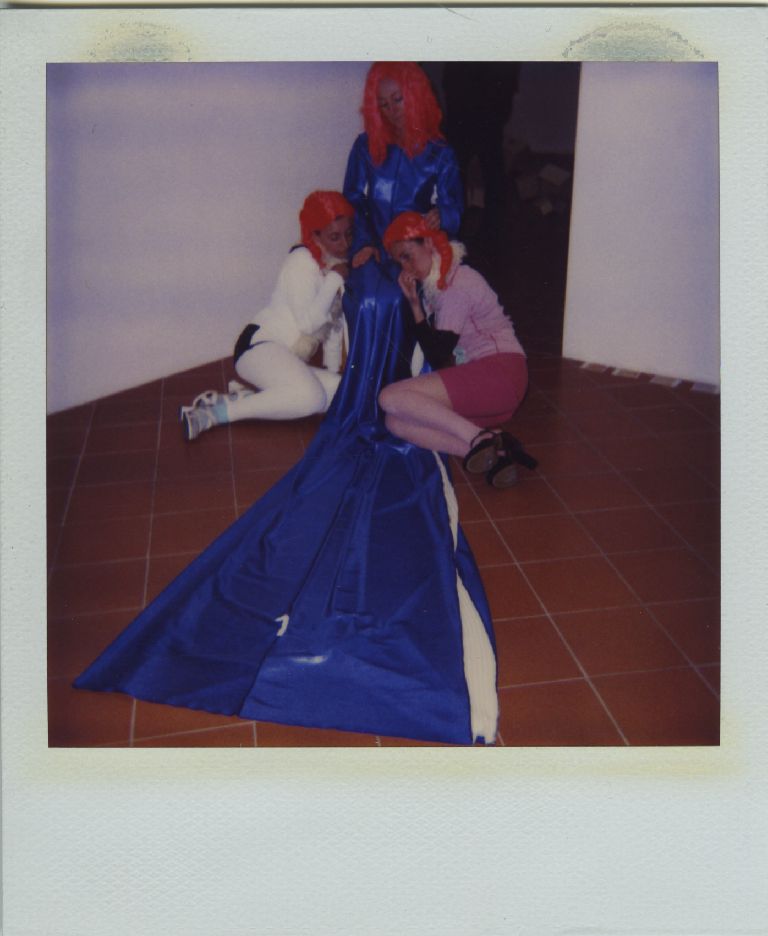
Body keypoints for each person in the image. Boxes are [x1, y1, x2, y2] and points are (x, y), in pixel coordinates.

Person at [75, 63, 499, 747]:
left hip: (416, 252)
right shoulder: (364, 153)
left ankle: (404, 394)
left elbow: (448, 214)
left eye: (399, 100)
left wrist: (416, 239)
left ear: (417, 101)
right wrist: (362, 250)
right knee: (365, 318)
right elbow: (354, 205)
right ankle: (370, 397)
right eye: (382, 102)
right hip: (372, 259)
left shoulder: (441, 155)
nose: (390, 111)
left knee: (397, 311)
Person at [379, 211, 537, 488]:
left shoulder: (456, 285)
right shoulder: (439, 283)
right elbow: (440, 353)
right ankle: (497, 451)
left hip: (501, 374)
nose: (406, 267)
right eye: (399, 261)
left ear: (429, 242)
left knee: (389, 397)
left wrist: (416, 308)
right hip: (489, 384)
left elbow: (439, 355)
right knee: (395, 421)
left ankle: (479, 437)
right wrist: (415, 304)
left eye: (407, 255)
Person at [180, 190, 353, 441]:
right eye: (334, 237)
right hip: (258, 347)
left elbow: (333, 327)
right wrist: (335, 278)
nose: (345, 244)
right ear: (315, 235)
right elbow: (308, 324)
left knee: (342, 393)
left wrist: (333, 371)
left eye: (349, 234)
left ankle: (246, 398)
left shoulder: (331, 264)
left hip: (286, 357)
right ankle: (214, 414)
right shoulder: (302, 262)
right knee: (312, 398)